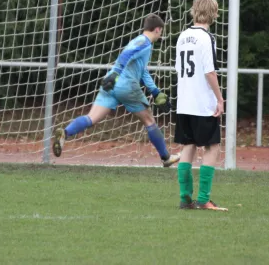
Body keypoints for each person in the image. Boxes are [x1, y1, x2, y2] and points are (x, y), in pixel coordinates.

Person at [52, 13, 180, 167]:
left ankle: (65, 133)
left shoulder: (139, 42)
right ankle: (166, 158)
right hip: (125, 84)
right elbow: (126, 55)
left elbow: (142, 70)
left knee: (91, 117)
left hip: (111, 84)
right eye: (161, 31)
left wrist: (155, 92)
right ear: (158, 29)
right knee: (149, 120)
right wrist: (116, 73)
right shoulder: (144, 42)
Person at [174, 0, 226, 211]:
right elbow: (210, 72)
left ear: (194, 10)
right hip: (202, 104)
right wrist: (219, 99)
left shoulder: (183, 35)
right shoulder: (207, 38)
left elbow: (179, 70)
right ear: (213, 12)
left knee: (188, 145)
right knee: (212, 146)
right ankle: (204, 199)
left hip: (184, 102)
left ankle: (185, 198)